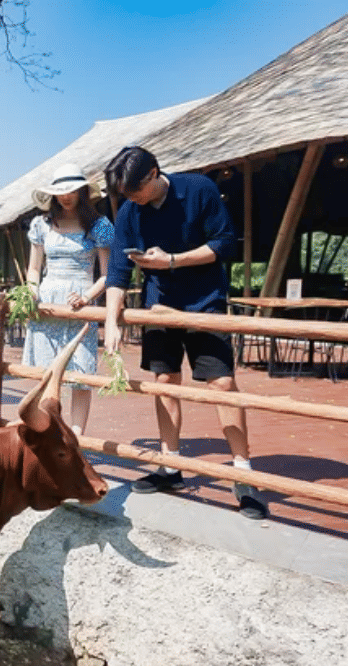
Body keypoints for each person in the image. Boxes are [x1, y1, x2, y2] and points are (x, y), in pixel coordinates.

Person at [102, 146, 267, 520]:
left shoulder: (199, 189)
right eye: (125, 195)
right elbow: (116, 272)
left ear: (154, 173)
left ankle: (242, 473)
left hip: (205, 301)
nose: (132, 200)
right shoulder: (130, 211)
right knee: (164, 379)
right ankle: (170, 465)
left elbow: (225, 242)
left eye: (135, 191)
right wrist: (111, 321)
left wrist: (173, 260)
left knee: (221, 383)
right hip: (159, 303)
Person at [23, 163, 113, 436]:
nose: (66, 196)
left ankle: (75, 437)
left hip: (80, 300)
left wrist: (86, 297)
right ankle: (44, 431)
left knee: (79, 374)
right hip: (47, 301)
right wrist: (30, 293)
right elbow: (35, 268)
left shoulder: (100, 225)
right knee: (46, 371)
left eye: (72, 190)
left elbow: (107, 275)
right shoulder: (41, 224)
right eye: (60, 191)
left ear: (83, 191)